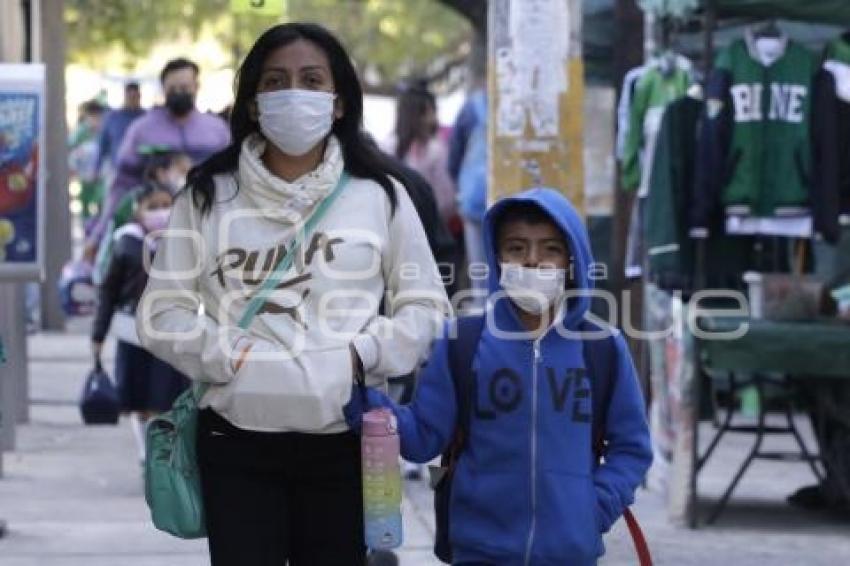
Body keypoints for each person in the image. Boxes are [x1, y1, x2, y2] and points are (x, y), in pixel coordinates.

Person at [135, 23, 449, 566]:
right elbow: (162, 312)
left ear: (339, 101)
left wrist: (364, 352)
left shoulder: (381, 195)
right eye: (275, 81)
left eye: (310, 79)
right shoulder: (209, 193)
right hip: (235, 442)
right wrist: (227, 354)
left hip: (344, 444)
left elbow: (426, 308)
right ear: (253, 103)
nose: (292, 93)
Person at [346, 188, 653, 565]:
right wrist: (359, 396)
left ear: (573, 261)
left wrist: (595, 508)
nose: (534, 261)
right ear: (497, 258)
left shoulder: (602, 347)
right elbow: (425, 436)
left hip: (571, 552)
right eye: (517, 248)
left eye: (551, 249)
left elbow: (632, 449)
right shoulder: (464, 340)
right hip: (479, 550)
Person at [84, 58, 230, 259]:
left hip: (210, 229)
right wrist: (99, 236)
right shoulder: (142, 130)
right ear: (164, 89)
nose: (179, 93)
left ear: (196, 86)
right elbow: (120, 187)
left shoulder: (217, 131)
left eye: (185, 87)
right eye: (173, 88)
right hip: (154, 238)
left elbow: (234, 179)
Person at [91, 184, 189, 464]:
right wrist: (98, 335)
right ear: (138, 210)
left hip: (170, 331)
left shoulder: (183, 240)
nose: (160, 212)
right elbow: (109, 291)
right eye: (153, 206)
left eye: (165, 205)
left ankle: (161, 451)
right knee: (138, 397)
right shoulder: (126, 243)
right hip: (132, 331)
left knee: (166, 396)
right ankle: (146, 453)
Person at [92, 150, 191, 285]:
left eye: (166, 206)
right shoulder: (131, 204)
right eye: (183, 171)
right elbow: (109, 250)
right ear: (161, 173)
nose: (187, 177)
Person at [386, 80, 456, 227]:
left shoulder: (386, 147)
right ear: (420, 115)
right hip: (429, 226)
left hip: (394, 225)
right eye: (431, 111)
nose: (434, 117)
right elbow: (446, 200)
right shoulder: (434, 150)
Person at [95, 81, 145, 178]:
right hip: (117, 170)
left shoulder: (145, 117)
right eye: (130, 97)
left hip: (141, 171)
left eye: (135, 97)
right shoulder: (112, 118)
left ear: (139, 97)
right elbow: (103, 145)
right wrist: (96, 168)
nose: (132, 100)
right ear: (125, 96)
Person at [68, 100, 108, 221]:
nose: (95, 119)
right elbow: (70, 149)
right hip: (85, 176)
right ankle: (87, 229)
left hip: (102, 176)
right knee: (85, 205)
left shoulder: (105, 131)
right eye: (92, 116)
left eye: (98, 116)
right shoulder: (80, 132)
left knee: (102, 203)